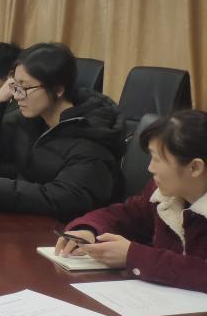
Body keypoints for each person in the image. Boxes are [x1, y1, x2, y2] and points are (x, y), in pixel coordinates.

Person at [0, 43, 125, 222]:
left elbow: (65, 197)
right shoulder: (33, 122)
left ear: (58, 89)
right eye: (15, 86)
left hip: (67, 230)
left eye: (25, 88)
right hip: (27, 220)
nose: (17, 96)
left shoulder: (92, 137)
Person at [56, 110, 207, 293]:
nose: (150, 168)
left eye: (157, 159)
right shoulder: (164, 194)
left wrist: (133, 256)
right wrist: (88, 230)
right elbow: (124, 215)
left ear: (195, 167)